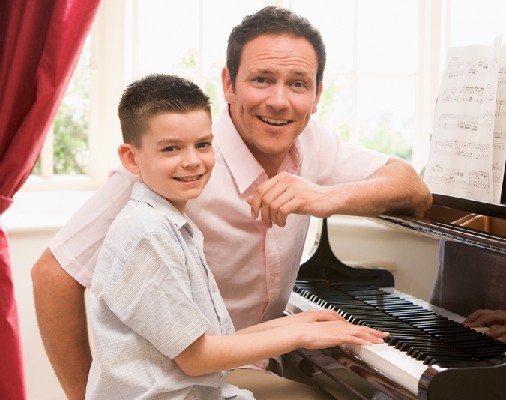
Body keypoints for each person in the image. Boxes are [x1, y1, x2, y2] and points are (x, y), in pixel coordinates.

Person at [32, 6, 432, 400]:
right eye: (262, 79)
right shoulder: (170, 170)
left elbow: (413, 188)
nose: (279, 101)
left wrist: (328, 197)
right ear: (228, 84)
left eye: (297, 83)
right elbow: (53, 274)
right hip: (189, 379)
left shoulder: (313, 141)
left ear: (316, 95)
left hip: (236, 363)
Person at [85, 73, 388, 399]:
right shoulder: (148, 234)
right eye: (171, 149)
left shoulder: (167, 222)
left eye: (202, 144)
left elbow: (212, 341)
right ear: (131, 158)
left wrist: (298, 323)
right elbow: (196, 359)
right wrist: (299, 335)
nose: (192, 161)